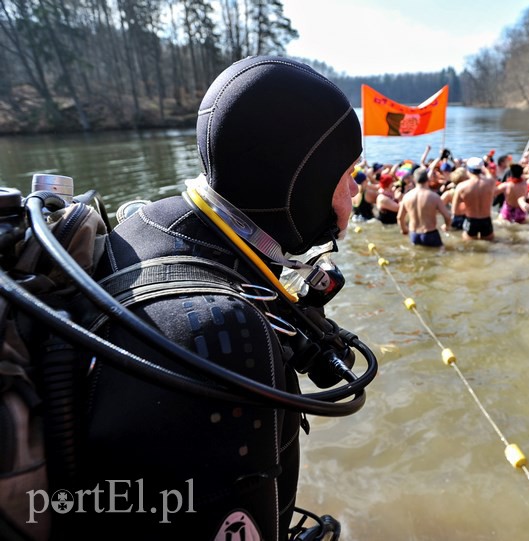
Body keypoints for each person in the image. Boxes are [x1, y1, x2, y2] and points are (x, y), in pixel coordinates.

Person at [78, 56, 367, 540]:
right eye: (346, 173)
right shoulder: (221, 337)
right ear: (305, 181)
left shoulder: (147, 222)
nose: (356, 189)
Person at [397, 166, 452, 247]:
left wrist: (404, 230)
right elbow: (447, 216)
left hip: (414, 234)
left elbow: (400, 217)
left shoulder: (407, 196)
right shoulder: (434, 196)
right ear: (428, 179)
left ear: (414, 180)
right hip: (430, 234)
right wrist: (447, 227)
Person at [452, 157, 497, 240]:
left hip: (471, 220)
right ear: (481, 169)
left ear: (468, 170)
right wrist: (484, 168)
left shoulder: (461, 187)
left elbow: (455, 211)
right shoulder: (491, 182)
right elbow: (489, 175)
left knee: (469, 247)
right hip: (486, 220)